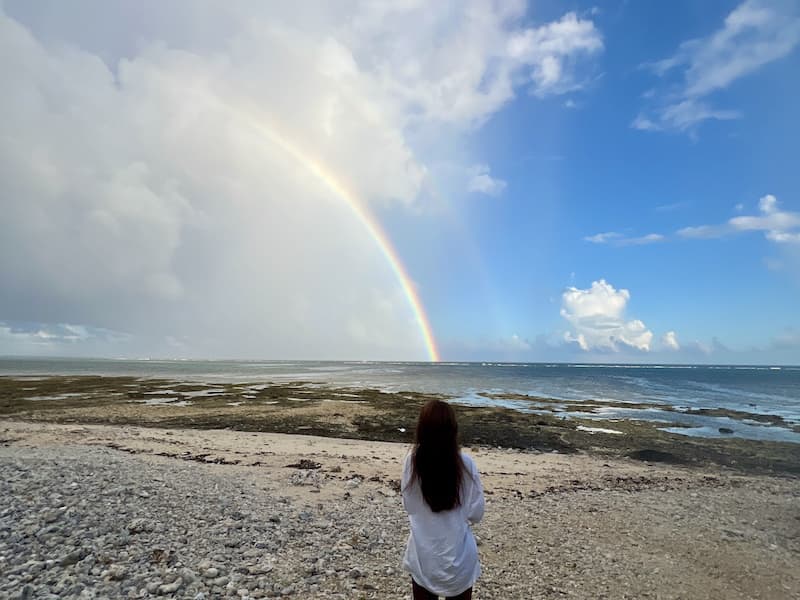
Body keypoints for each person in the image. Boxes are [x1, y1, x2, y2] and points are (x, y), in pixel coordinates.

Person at [402, 399, 485, 600]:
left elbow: (410, 506)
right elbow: (477, 514)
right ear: (453, 430)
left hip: (423, 558)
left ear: (421, 429)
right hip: (459, 560)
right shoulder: (466, 465)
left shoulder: (412, 463)